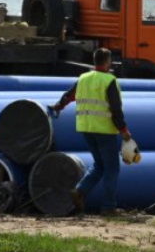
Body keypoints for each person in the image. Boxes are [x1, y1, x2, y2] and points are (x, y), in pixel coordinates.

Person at [50, 48, 133, 215]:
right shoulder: (109, 81)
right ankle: (108, 207)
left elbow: (69, 95)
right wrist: (123, 130)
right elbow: (116, 109)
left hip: (86, 128)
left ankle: (80, 191)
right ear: (107, 62)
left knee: (99, 165)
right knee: (112, 168)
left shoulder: (83, 78)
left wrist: (58, 107)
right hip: (104, 130)